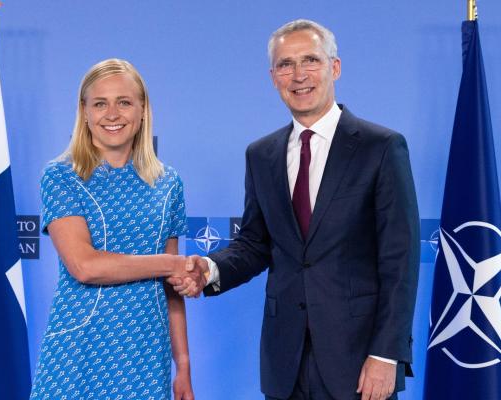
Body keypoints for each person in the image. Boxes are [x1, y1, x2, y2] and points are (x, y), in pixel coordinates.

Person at [173, 20, 420, 400]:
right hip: (284, 360)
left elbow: (400, 260)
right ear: (273, 76)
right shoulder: (261, 155)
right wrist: (211, 269)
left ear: (334, 68)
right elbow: (255, 243)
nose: (298, 75)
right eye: (286, 64)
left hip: (358, 360)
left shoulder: (381, 147)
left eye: (310, 60)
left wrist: (386, 353)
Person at [30, 59, 198, 400]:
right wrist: (170, 264)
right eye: (100, 103)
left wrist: (183, 366)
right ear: (84, 111)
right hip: (80, 351)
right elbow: (85, 267)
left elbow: (172, 290)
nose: (112, 114)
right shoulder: (61, 176)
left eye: (124, 102)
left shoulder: (169, 183)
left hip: (147, 352)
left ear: (142, 109)